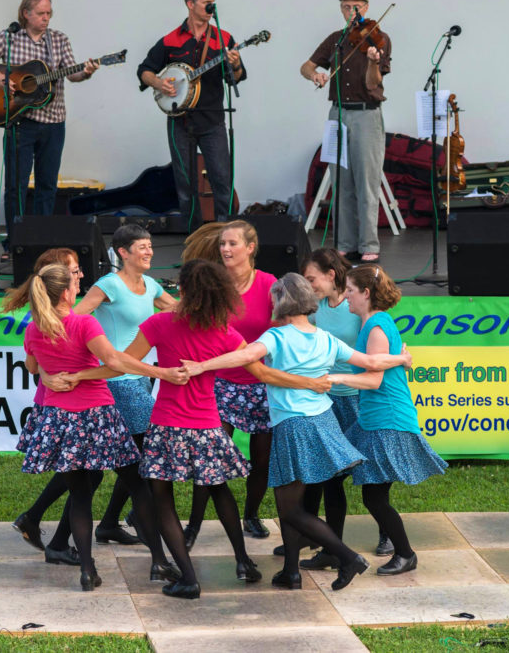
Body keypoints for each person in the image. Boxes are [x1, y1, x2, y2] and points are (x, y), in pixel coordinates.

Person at [182, 273, 413, 590]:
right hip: (323, 422)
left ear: (282, 301)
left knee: (290, 508)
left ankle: (346, 557)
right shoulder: (326, 339)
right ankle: (291, 571)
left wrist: (200, 366)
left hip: (294, 427)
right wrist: (401, 358)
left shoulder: (278, 338)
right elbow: (371, 362)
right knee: (290, 503)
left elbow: (245, 355)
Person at [65, 260, 277, 599]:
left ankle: (188, 577)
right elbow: (259, 370)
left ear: (184, 290)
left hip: (167, 425)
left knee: (162, 499)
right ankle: (242, 561)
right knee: (220, 490)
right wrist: (307, 382)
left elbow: (118, 364)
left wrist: (80, 375)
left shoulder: (160, 323)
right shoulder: (224, 330)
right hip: (207, 424)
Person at [5, 262, 184, 591]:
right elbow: (115, 363)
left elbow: (32, 364)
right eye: (75, 283)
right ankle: (159, 561)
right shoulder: (83, 324)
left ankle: (87, 571)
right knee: (137, 485)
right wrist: (163, 373)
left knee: (81, 495)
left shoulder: (34, 328)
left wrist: (47, 373)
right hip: (97, 415)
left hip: (59, 418)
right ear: (69, 292)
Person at [329, 264, 448, 576]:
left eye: (350, 292)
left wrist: (334, 379)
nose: (346, 299)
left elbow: (374, 381)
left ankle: (405, 554)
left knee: (374, 496)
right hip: (372, 420)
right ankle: (327, 544)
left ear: (366, 294)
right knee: (335, 475)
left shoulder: (378, 327)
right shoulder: (372, 324)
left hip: (388, 420)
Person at [0, 0, 99, 258]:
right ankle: (15, 243)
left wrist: (85, 72)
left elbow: (72, 75)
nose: (46, 18)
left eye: (49, 13)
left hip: (54, 123)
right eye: (41, 13)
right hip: (20, 122)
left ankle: (43, 242)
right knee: (15, 185)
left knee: (47, 185)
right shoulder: (10, 37)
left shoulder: (59, 40)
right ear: (26, 13)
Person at [74, 224, 177, 544]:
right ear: (123, 252)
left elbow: (179, 311)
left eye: (150, 246)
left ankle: (109, 523)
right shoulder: (109, 285)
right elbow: (76, 317)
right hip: (121, 382)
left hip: (142, 380)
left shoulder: (151, 285)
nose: (149, 252)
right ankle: (143, 516)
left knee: (130, 455)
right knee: (152, 448)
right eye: (142, 246)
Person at [293, 249, 393, 571]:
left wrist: (401, 359)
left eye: (312, 279)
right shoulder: (315, 308)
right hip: (326, 401)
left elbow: (379, 353)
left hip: (356, 399)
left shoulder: (358, 309)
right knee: (328, 476)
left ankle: (387, 533)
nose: (309, 286)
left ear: (330, 275)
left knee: (371, 471)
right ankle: (326, 543)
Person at [181, 221, 276, 547]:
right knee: (209, 455)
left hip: (262, 384)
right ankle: (192, 526)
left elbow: (280, 335)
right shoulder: (213, 283)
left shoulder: (268, 284)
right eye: (223, 244)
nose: (225, 249)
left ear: (250, 247)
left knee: (262, 460)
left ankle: (251, 514)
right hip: (220, 382)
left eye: (233, 243)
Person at [5, 247, 96, 567]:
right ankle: (48, 533)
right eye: (74, 272)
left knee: (82, 473)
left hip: (70, 392)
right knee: (83, 474)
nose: (80, 276)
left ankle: (40, 524)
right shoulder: (54, 307)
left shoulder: (55, 304)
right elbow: (39, 355)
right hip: (62, 397)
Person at [138, 0, 245, 231]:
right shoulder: (171, 40)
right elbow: (144, 70)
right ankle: (193, 241)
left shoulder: (224, 38)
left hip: (213, 121)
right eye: (207, 3)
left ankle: (225, 240)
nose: (212, 8)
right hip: (180, 122)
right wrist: (159, 83)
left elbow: (235, 79)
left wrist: (236, 64)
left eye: (213, 3)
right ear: (190, 4)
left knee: (222, 183)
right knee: (186, 188)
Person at [300, 0, 391, 264]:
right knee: (341, 182)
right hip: (337, 114)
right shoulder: (336, 39)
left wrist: (374, 62)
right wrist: (314, 74)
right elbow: (306, 66)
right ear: (341, 9)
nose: (351, 11)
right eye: (346, 7)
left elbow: (374, 83)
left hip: (366, 114)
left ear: (366, 7)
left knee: (367, 181)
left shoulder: (380, 38)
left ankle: (368, 244)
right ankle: (345, 243)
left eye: (356, 7)